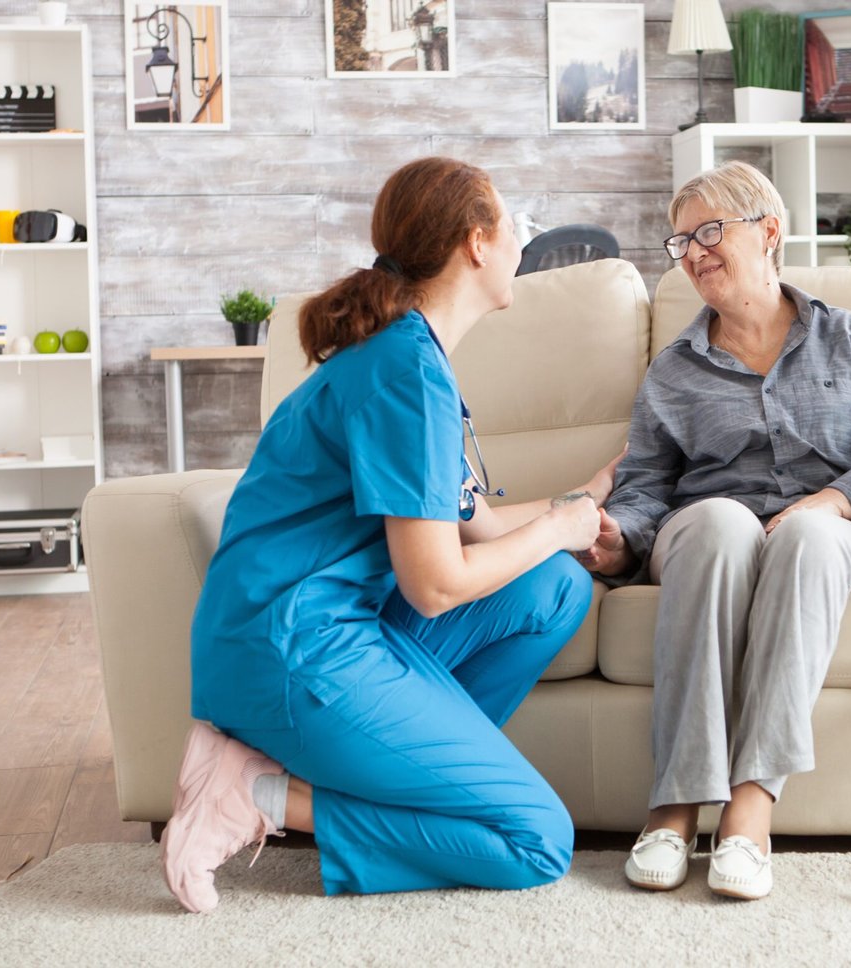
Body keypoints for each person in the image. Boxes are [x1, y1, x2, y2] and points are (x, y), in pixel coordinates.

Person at [161, 157, 615, 912]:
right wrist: (562, 526)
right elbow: (434, 587)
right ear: (477, 242)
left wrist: (589, 500)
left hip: (322, 632)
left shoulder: (412, 357)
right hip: (292, 649)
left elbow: (489, 527)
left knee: (556, 584)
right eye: (516, 228)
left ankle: (414, 775)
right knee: (536, 839)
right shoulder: (406, 374)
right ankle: (259, 796)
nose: (521, 247)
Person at [579, 161, 851, 900]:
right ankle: (674, 807)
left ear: (769, 231)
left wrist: (836, 502)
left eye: (710, 231)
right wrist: (622, 537)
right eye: (682, 243)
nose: (695, 252)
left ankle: (749, 810)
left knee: (802, 537)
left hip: (836, 536)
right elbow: (646, 488)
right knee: (719, 522)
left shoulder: (848, 341)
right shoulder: (673, 371)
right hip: (710, 530)